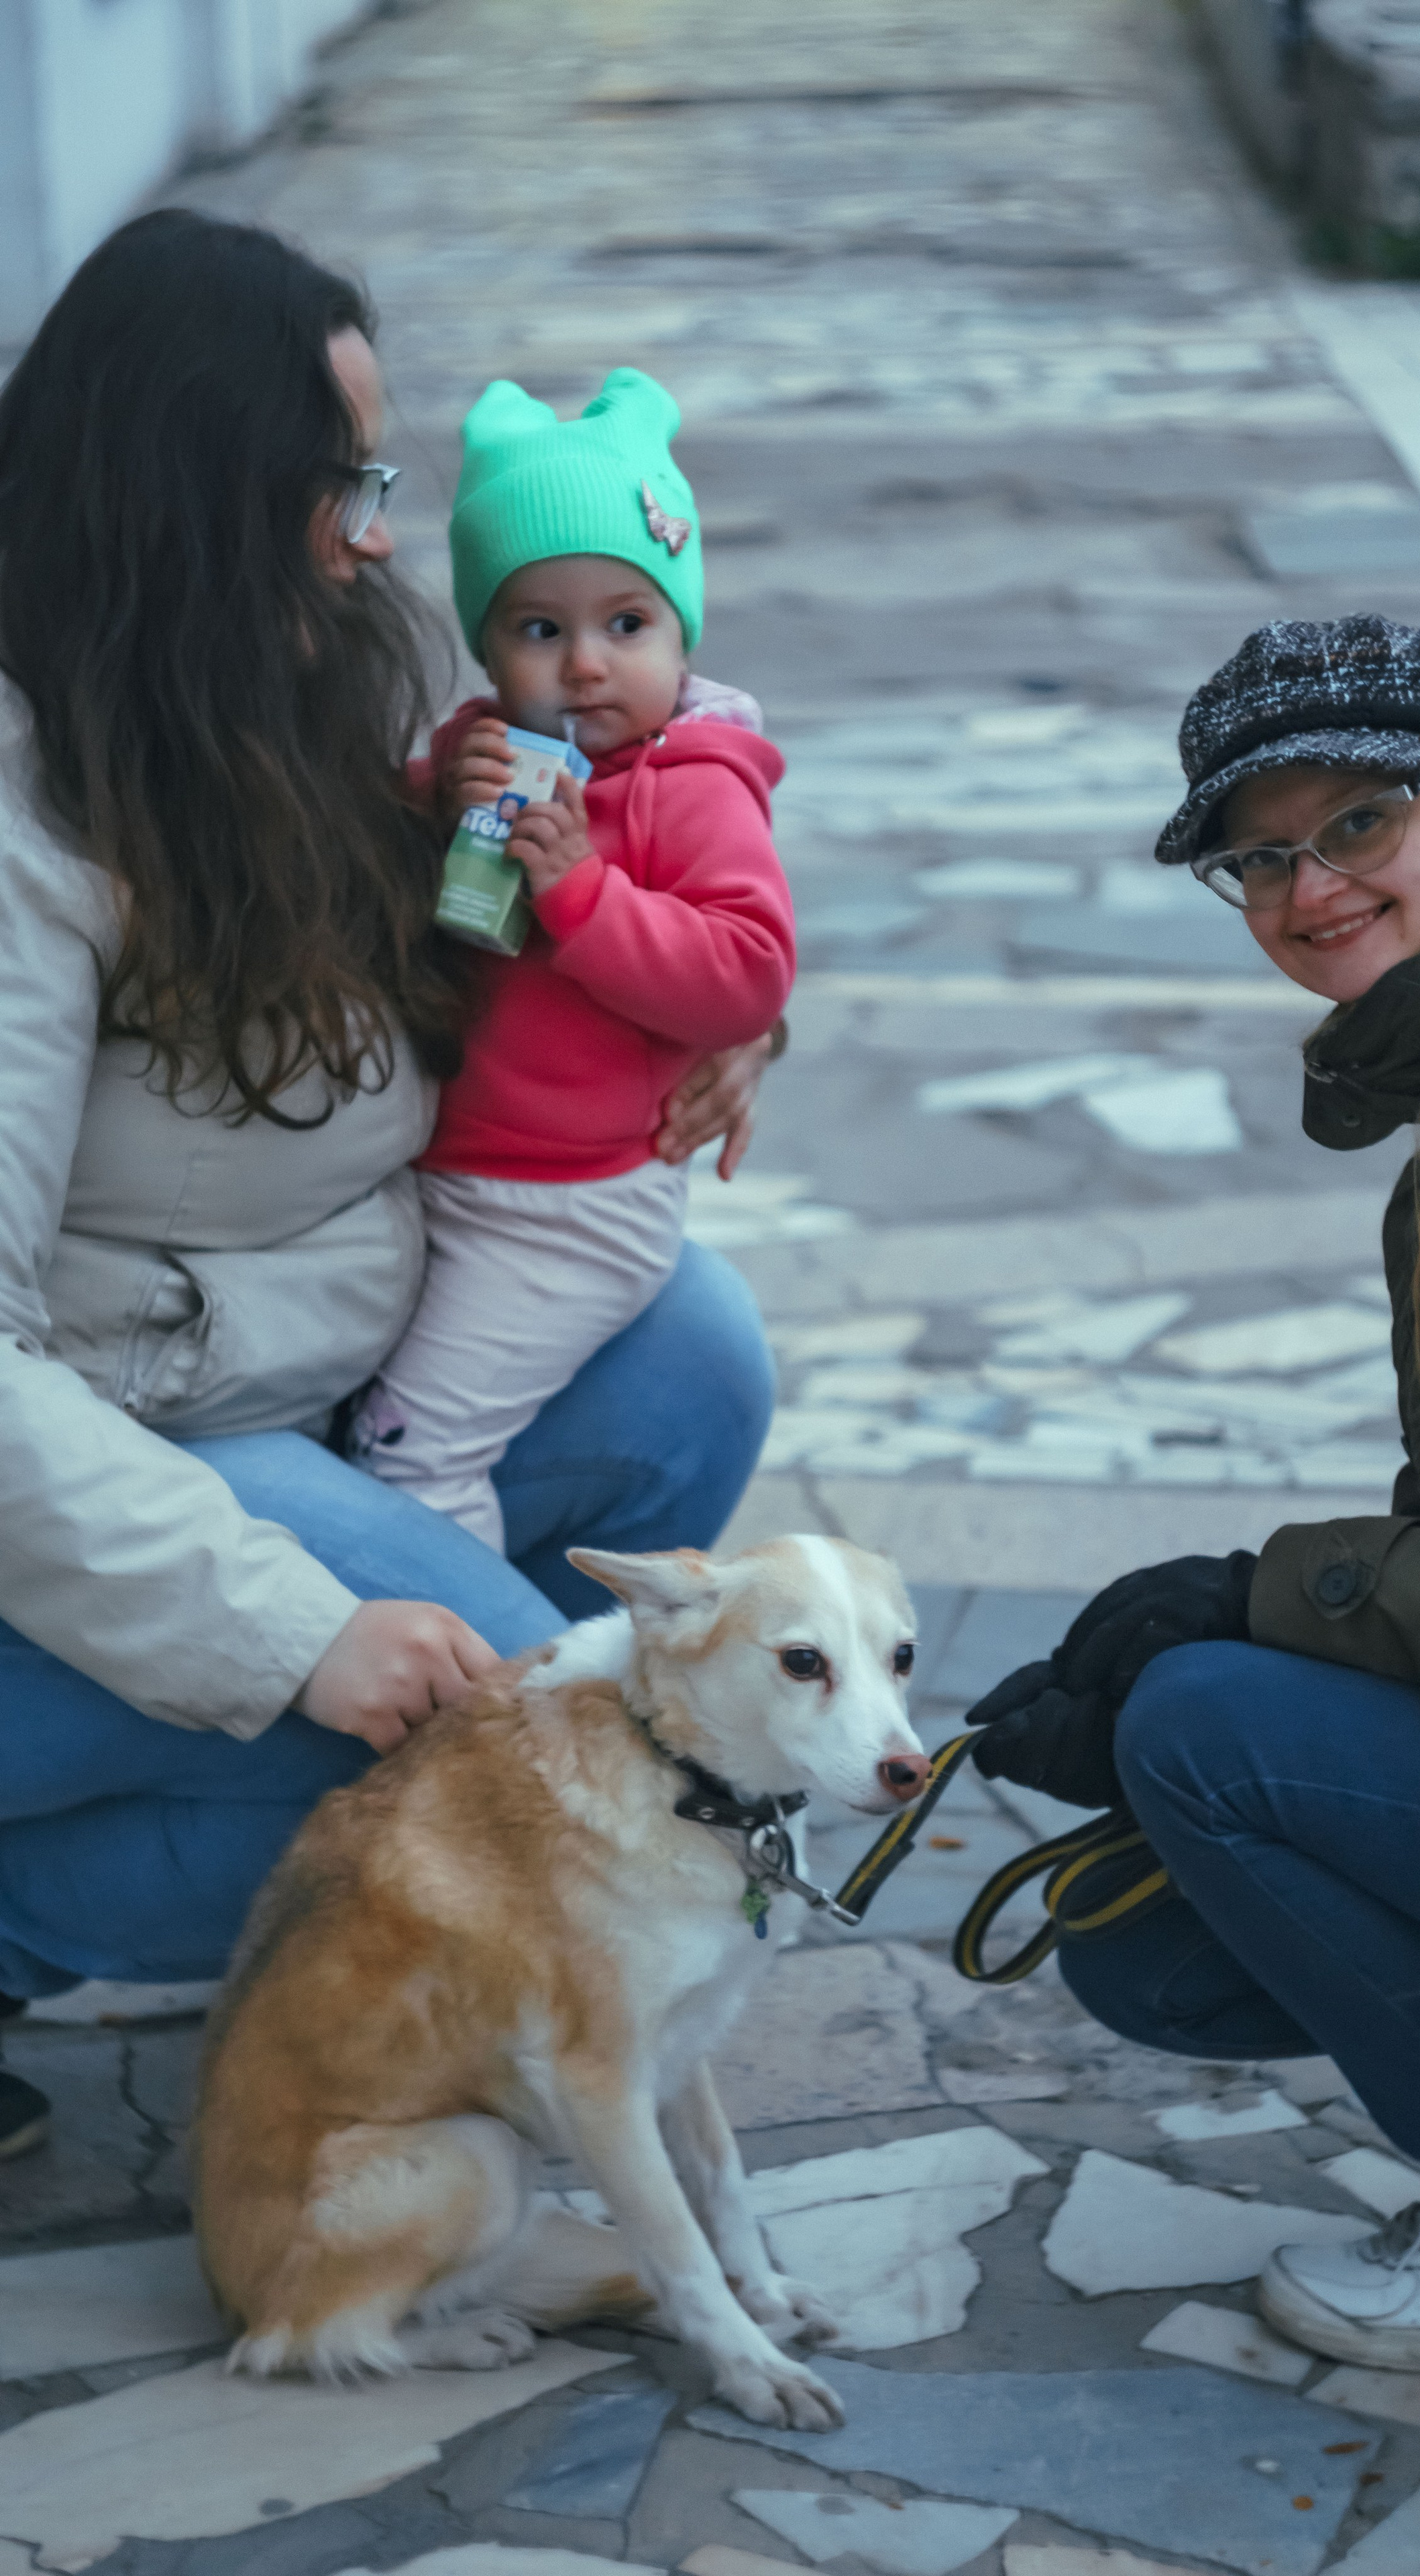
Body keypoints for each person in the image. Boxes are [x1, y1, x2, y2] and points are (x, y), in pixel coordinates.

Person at [0, 211, 781, 2153]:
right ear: (196, 493)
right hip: (122, 1425)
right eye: (339, 480)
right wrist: (296, 1635)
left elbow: (442, 998)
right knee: (522, 1747)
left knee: (689, 1355)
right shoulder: (20, 806)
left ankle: (327, 1837)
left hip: (300, 1362)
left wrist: (692, 1016)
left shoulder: (277, 688)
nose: (375, 530)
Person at [971, 614, 1420, 2373]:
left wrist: (1255, 1606)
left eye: (1362, 825)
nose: (1309, 892)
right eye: (1263, 858)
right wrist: (1182, 1661)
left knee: (1214, 1727)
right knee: (1145, 1940)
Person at [349, 370, 794, 1546]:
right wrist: (433, 807)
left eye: (626, 624)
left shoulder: (688, 788)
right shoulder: (483, 752)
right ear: (490, 646)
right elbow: (356, 883)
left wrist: (583, 898)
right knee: (394, 1428)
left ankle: (483, 1698)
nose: (585, 665)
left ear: (680, 629)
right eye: (541, 630)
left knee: (412, 1453)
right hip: (451, 1177)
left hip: (567, 1206)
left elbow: (748, 971)